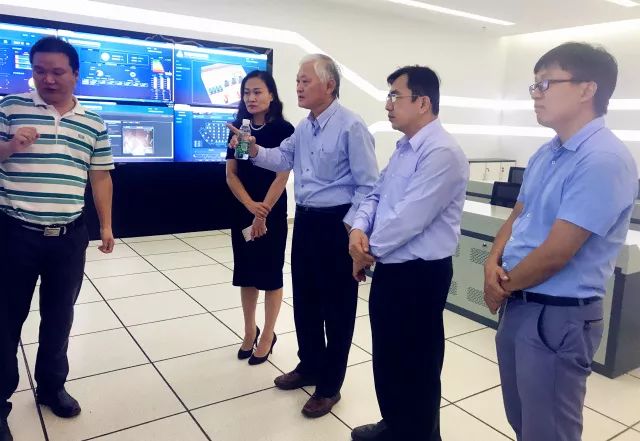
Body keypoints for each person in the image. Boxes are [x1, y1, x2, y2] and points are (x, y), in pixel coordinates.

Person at [483, 42, 638, 441]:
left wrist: (501, 286)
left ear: (587, 89)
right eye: (534, 85)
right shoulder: (547, 153)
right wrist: (491, 263)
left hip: (558, 315)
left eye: (546, 83)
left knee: (550, 430)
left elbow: (557, 253)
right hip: (520, 302)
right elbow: (518, 215)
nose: (536, 94)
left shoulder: (602, 159)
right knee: (523, 419)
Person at [228, 54, 379, 418]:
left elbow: (369, 187)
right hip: (306, 223)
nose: (297, 87)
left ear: (329, 85)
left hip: (337, 225)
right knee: (307, 302)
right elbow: (280, 159)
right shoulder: (304, 127)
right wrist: (250, 148)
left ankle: (329, 386)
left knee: (337, 310)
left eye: (305, 81)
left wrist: (354, 229)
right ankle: (309, 365)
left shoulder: (351, 126)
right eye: (297, 80)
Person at [0, 36, 115, 441]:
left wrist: (106, 226)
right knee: (5, 320)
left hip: (68, 237)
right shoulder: (10, 108)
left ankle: (51, 387)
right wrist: (11, 145)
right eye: (39, 71)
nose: (47, 79)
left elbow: (100, 176)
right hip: (15, 233)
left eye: (57, 71)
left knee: (59, 316)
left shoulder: (93, 122)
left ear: (75, 74)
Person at [348, 66, 469, 441]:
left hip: (420, 276)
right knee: (388, 357)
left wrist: (365, 252)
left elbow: (409, 219)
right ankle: (394, 425)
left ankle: (418, 435)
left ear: (423, 102)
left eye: (394, 96)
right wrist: (357, 230)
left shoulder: (442, 153)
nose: (388, 104)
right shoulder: (404, 149)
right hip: (390, 270)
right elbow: (375, 195)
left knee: (417, 365)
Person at [225, 70, 294, 365]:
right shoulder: (239, 129)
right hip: (243, 209)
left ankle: (267, 334)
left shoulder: (284, 129)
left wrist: (262, 211)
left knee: (270, 274)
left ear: (271, 95)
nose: (250, 98)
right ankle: (248, 331)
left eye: (257, 92)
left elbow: (282, 175)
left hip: (272, 211)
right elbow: (231, 174)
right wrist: (249, 205)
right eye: (246, 92)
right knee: (246, 273)